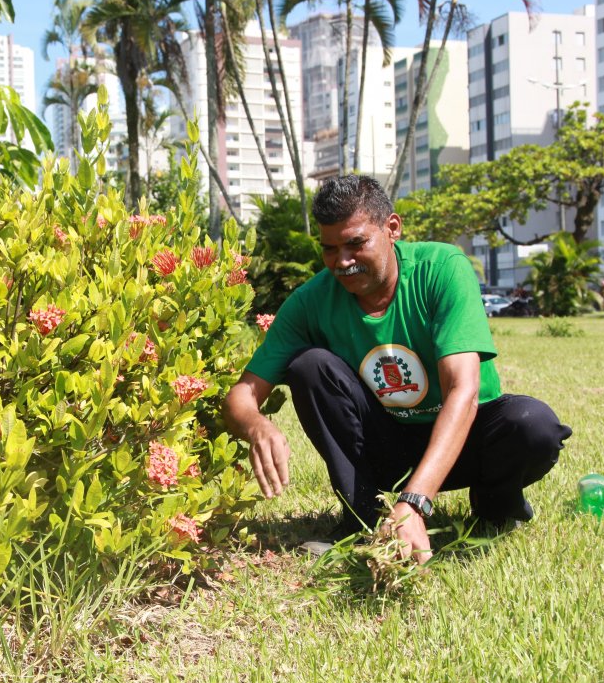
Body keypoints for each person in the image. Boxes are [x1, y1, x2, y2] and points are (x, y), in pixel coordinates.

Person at [223, 175, 572, 563]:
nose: (342, 261)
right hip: (387, 445)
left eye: (356, 243)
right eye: (329, 248)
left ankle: (495, 507)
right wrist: (257, 425)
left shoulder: (441, 268)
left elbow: (463, 389)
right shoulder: (310, 301)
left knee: (532, 423)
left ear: (392, 228)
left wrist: (415, 501)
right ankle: (363, 518)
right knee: (310, 367)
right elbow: (241, 395)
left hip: (463, 441)